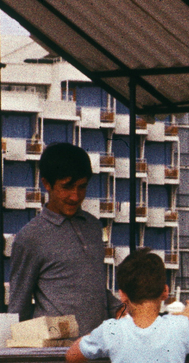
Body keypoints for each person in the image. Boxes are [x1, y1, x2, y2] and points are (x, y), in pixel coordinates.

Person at [8, 142, 120, 338]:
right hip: (55, 354)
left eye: (82, 187)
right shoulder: (29, 237)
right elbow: (19, 306)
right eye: (67, 187)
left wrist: (123, 310)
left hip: (98, 349)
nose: (75, 196)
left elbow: (94, 289)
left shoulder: (94, 227)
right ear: (47, 184)